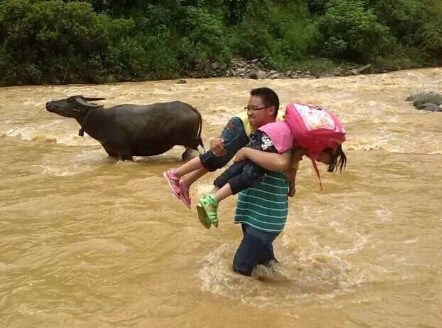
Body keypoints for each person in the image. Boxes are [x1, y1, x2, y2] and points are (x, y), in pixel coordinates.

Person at [163, 87, 297, 209]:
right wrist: (215, 139)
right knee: (218, 154)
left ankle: (186, 183)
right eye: (248, 108)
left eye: (254, 108)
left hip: (254, 133)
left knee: (226, 161)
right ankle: (176, 173)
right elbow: (217, 144)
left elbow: (291, 155)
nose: (250, 112)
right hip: (241, 126)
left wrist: (292, 180)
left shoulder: (281, 127)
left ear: (271, 110)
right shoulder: (246, 120)